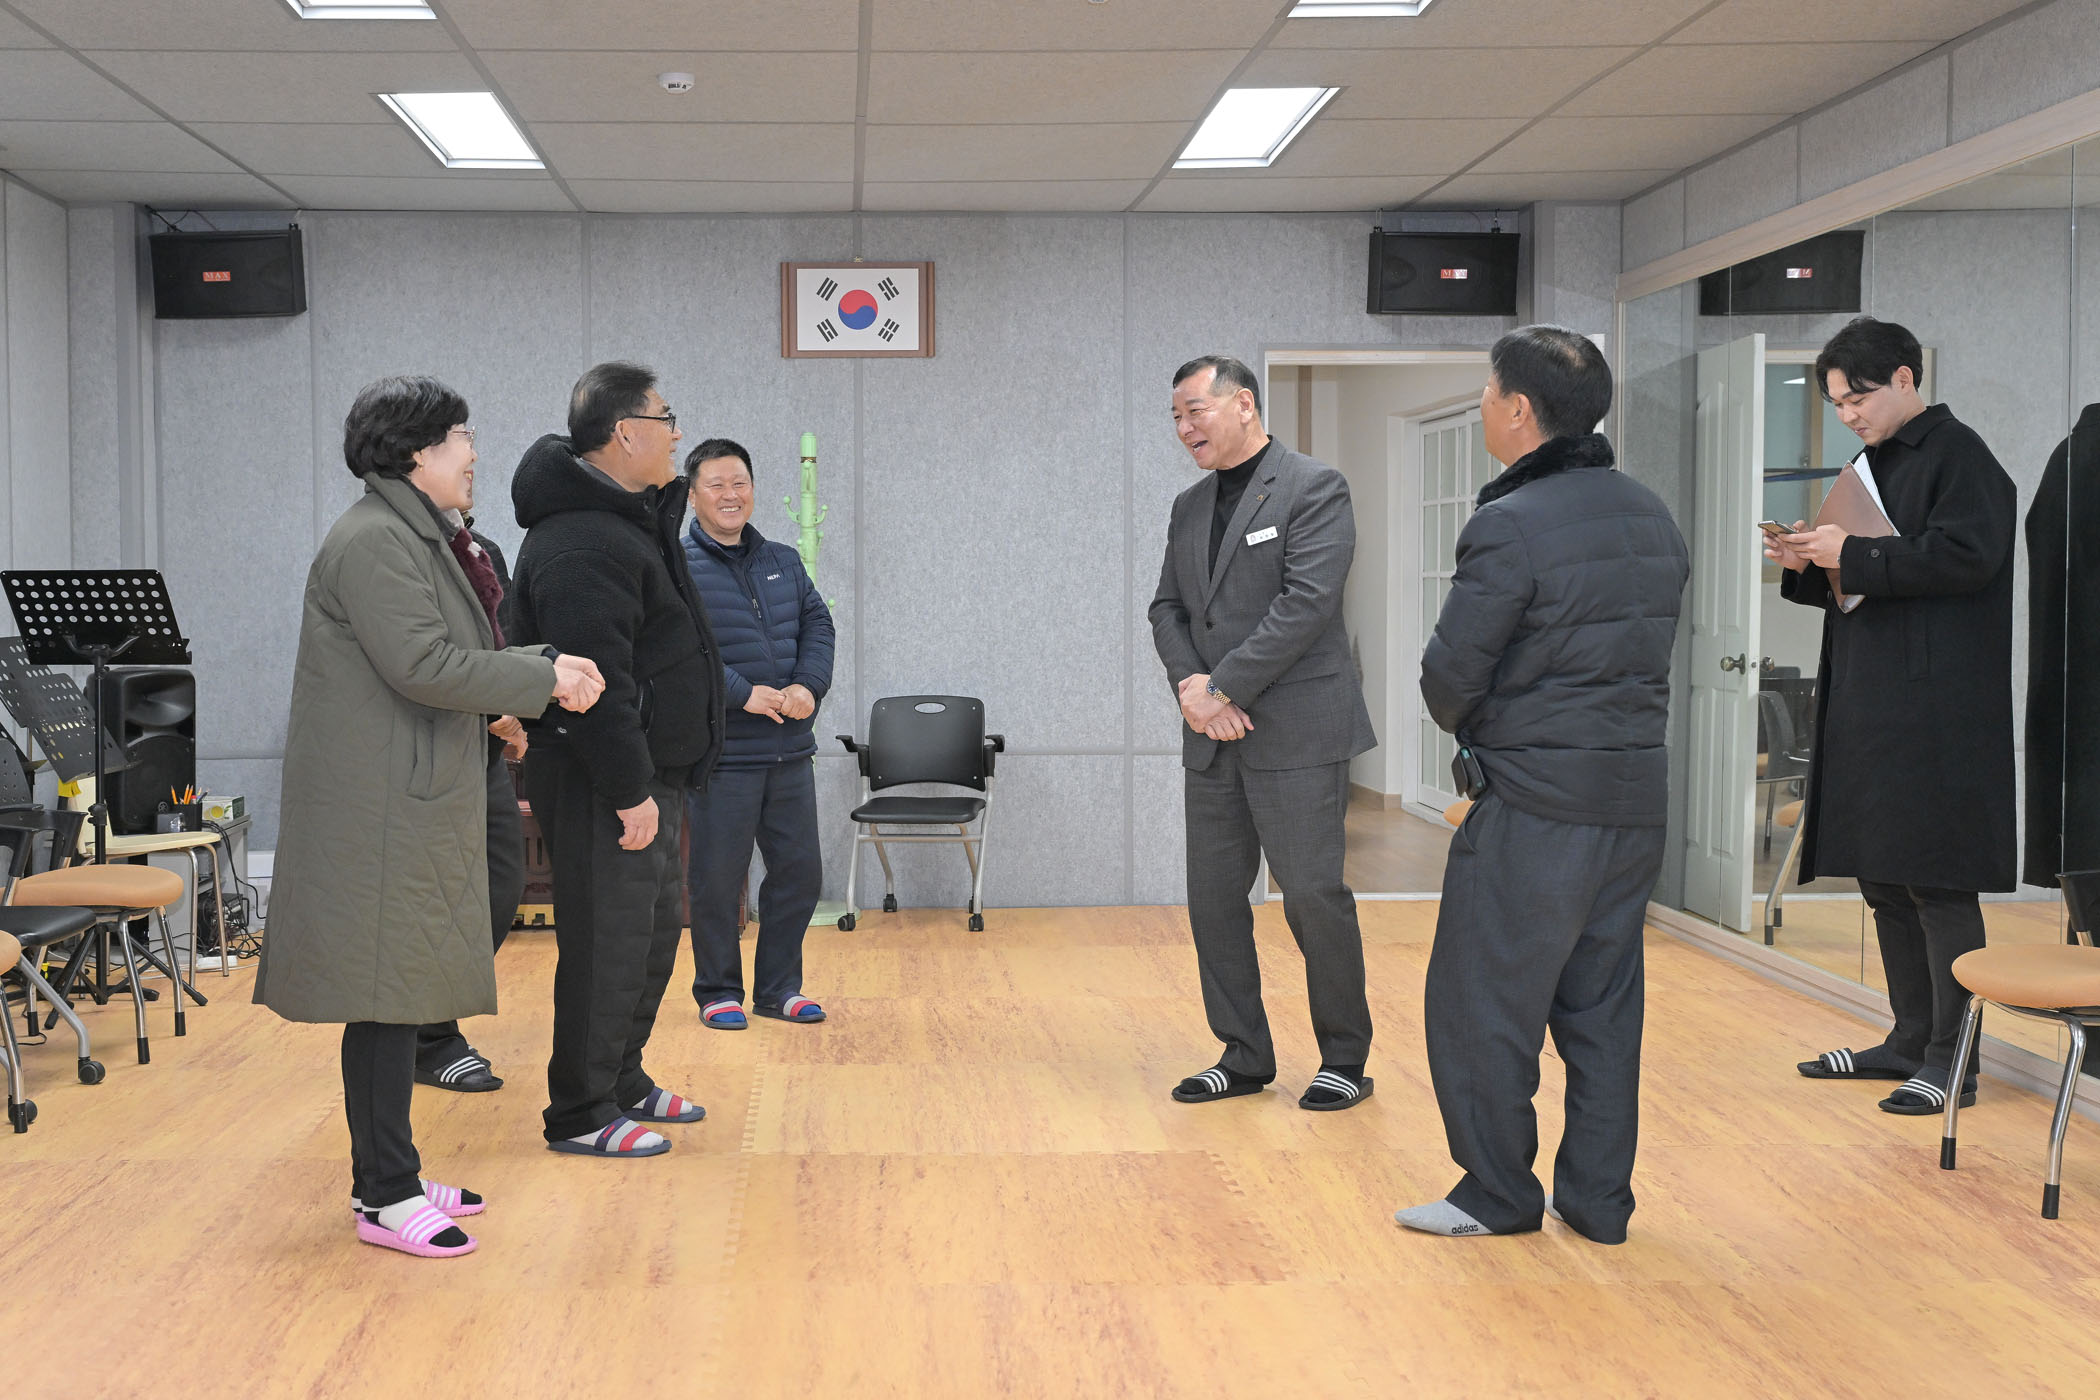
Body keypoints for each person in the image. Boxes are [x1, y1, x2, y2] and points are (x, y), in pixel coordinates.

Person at [257, 375, 605, 1258]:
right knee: (384, 998)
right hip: (378, 807)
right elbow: (423, 664)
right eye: (462, 436)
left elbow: (458, 651)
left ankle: (392, 1171)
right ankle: (385, 1194)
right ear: (417, 451)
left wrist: (543, 663)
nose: (474, 452)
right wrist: (544, 678)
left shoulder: (417, 533)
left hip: (405, 794)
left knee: (399, 991)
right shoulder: (375, 540)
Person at [1396, 326, 1687, 1245]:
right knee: (1603, 1011)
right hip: (1633, 805)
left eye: (1488, 394)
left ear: (1519, 409)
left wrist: (1484, 725)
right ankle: (1598, 1205)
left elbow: (1448, 680)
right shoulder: (1650, 512)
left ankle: (1496, 1194)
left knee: (1483, 1004)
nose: (1484, 407)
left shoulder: (1510, 523)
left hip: (1534, 808)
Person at [1772, 316, 2017, 1116]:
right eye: (1838, 403)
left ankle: (1954, 1059)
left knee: (1937, 881)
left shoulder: (1959, 455)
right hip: (1874, 700)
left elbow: (1969, 557)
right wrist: (1808, 562)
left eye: (1859, 398)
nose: (1849, 414)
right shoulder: (1868, 464)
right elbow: (1863, 582)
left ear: (1907, 380)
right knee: (1884, 878)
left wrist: (1851, 554)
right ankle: (1910, 1040)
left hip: (1938, 709)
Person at [506, 361, 726, 1159]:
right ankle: (580, 1111)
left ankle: (622, 1079)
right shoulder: (579, 541)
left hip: (647, 777)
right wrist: (630, 789)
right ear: (627, 433)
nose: (678, 433)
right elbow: (596, 687)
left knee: (649, 937)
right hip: (604, 780)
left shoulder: (633, 521)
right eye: (667, 418)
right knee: (607, 945)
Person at [1148, 354, 1378, 1112]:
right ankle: (1243, 1054)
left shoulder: (1314, 487)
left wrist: (1220, 688)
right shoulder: (1188, 506)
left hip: (1298, 732)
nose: (1184, 428)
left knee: (1312, 897)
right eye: (1175, 417)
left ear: (1243, 403)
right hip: (1212, 735)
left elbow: (1306, 604)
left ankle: (1345, 1057)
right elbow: (1167, 608)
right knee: (1214, 900)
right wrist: (1193, 690)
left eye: (1195, 411)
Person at [679, 439, 836, 1030]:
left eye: (739, 482)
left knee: (799, 873)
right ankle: (718, 990)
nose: (730, 495)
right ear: (692, 496)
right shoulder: (677, 567)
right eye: (716, 484)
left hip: (789, 751)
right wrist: (742, 693)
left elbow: (818, 625)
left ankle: (779, 989)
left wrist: (808, 687)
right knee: (718, 880)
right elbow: (677, 649)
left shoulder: (783, 560)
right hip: (723, 756)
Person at [413, 516, 531, 1094]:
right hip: (427, 752)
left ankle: (428, 1022)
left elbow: (502, 641)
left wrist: (512, 704)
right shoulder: (399, 548)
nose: (470, 473)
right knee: (437, 900)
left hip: (481, 753)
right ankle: (430, 1038)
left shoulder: (483, 550)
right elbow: (418, 659)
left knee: (501, 886)